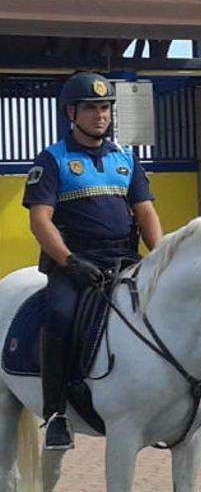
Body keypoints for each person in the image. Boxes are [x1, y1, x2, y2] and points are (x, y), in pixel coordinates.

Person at [23, 72, 163, 450]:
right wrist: (69, 262)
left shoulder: (125, 158)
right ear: (72, 112)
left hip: (124, 260)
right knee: (60, 317)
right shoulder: (53, 159)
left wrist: (162, 257)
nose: (101, 115)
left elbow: (145, 213)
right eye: (92, 108)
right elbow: (40, 221)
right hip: (75, 265)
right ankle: (55, 414)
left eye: (105, 108)